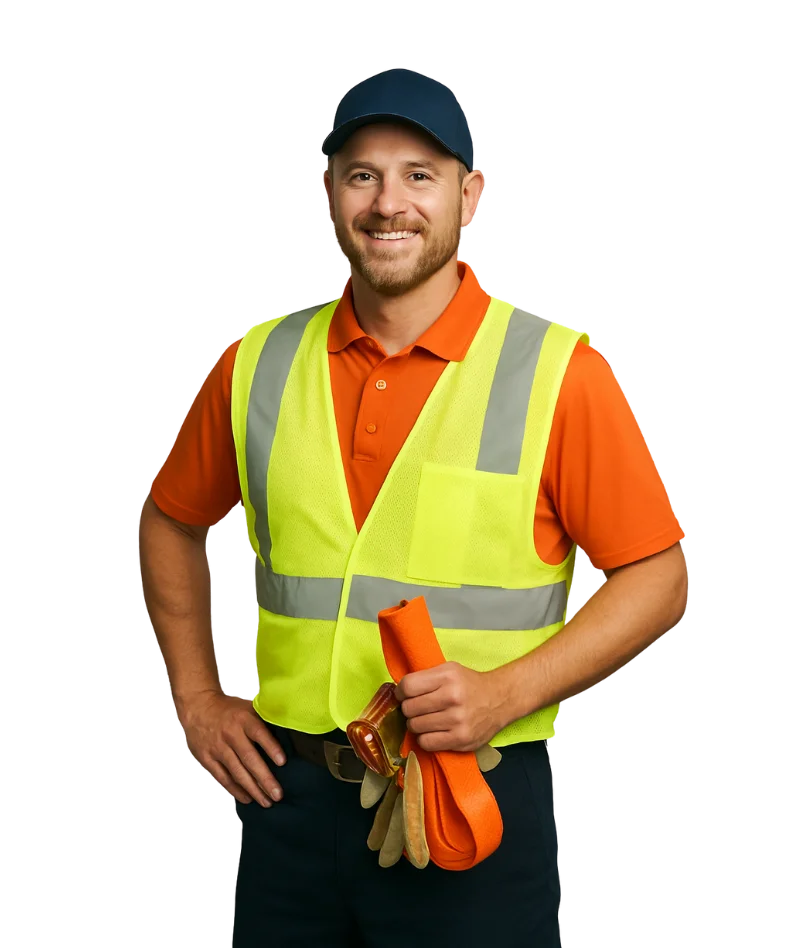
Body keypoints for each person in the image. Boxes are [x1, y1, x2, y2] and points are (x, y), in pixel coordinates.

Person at [138, 67, 689, 947]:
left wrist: (505, 693)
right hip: (287, 800)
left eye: (419, 175)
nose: (387, 202)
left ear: (471, 197)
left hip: (471, 796)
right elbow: (170, 517)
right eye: (362, 175)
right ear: (328, 196)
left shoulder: (556, 373)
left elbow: (657, 577)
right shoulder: (256, 363)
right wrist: (198, 697)